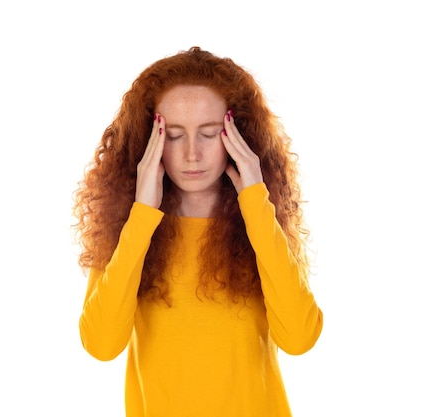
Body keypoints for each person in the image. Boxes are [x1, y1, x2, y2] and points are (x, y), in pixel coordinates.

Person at [73, 46, 323, 417]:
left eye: (208, 134)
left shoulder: (260, 225)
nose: (192, 154)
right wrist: (142, 214)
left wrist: (256, 202)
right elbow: (102, 344)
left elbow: (300, 339)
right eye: (173, 135)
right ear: (150, 143)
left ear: (237, 138)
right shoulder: (129, 231)